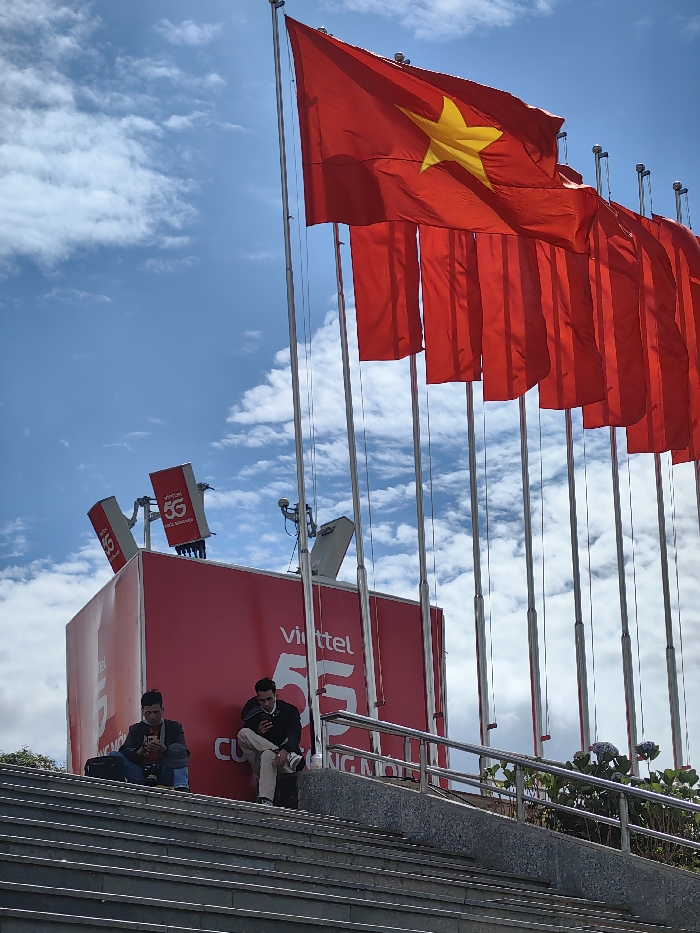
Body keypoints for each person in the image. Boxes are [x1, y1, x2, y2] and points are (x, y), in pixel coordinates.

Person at [238, 677, 304, 805]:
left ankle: (265, 800)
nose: (267, 704)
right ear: (257, 699)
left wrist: (285, 750)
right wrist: (257, 731)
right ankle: (278, 752)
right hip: (263, 764)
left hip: (286, 763)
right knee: (243, 733)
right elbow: (248, 734)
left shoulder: (289, 711)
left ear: (276, 695)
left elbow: (295, 733)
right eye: (262, 700)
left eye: (269, 699)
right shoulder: (252, 712)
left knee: (268, 754)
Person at [107, 690, 190, 791]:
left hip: (165, 772)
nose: (152, 717)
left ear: (162, 709)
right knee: (113, 756)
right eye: (148, 713)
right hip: (141, 773)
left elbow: (184, 752)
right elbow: (124, 751)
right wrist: (139, 751)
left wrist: (165, 749)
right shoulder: (136, 729)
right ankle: (114, 788)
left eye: (156, 712)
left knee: (178, 750)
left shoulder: (174, 727)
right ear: (142, 711)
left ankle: (181, 787)